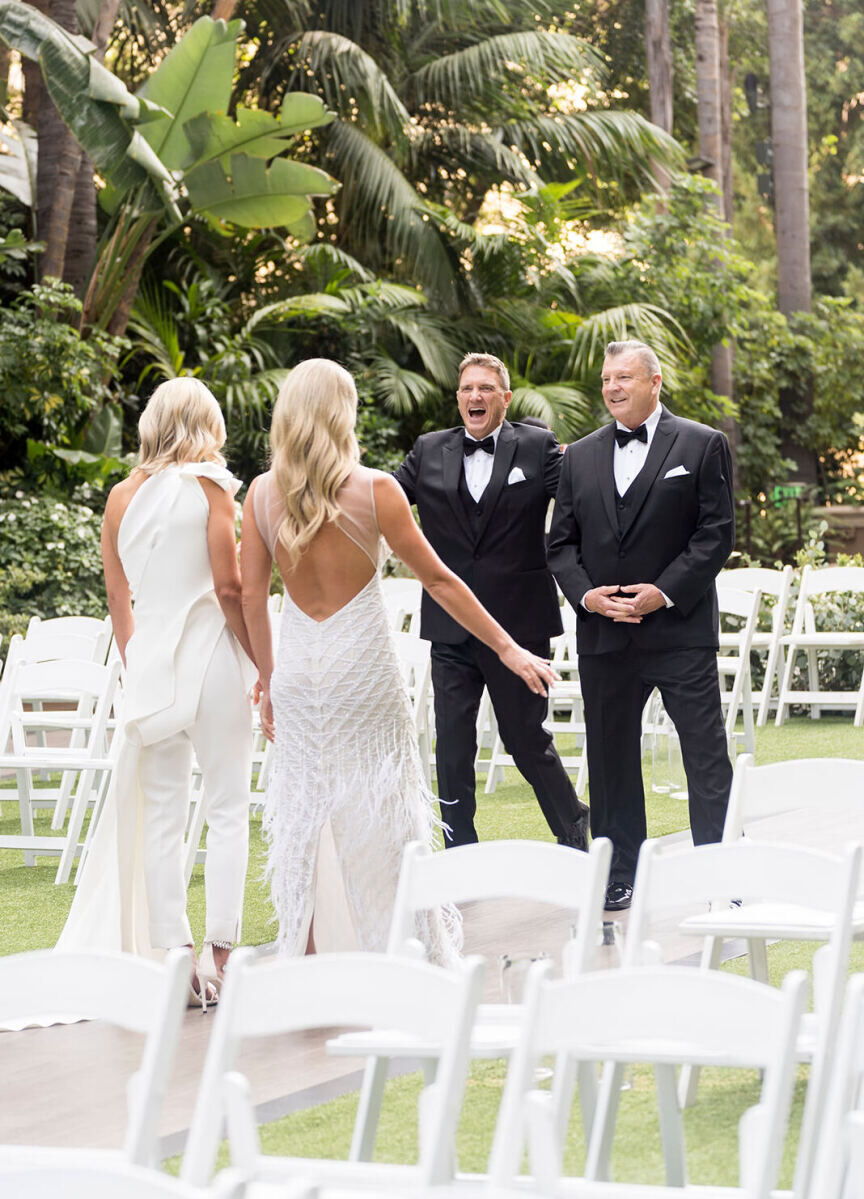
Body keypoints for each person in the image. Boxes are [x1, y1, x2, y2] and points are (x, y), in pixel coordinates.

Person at [240, 358, 557, 961]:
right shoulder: (375, 489)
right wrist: (509, 647)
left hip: (301, 673)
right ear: (343, 412)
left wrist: (267, 677)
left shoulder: (260, 494)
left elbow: (251, 596)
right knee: (382, 810)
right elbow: (439, 581)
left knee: (307, 813)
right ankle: (401, 950)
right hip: (362, 669)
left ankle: (307, 956)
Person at [57, 379, 256, 1005]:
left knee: (163, 816)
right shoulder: (211, 488)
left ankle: (175, 954)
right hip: (213, 661)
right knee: (226, 806)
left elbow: (119, 600)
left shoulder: (120, 496)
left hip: (149, 669)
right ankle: (220, 955)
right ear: (206, 424)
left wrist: (136, 661)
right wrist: (262, 666)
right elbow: (229, 591)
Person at [547, 339, 735, 910]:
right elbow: (561, 545)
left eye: (624, 377)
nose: (612, 388)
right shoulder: (578, 456)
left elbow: (715, 534)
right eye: (606, 379)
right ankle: (618, 873)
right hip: (606, 635)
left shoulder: (702, 445)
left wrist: (663, 593)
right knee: (610, 759)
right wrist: (587, 598)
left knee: (704, 755)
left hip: (680, 633)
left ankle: (721, 872)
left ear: (655, 383)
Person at [393, 352, 589, 849]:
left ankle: (575, 835)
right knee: (453, 750)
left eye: (485, 388)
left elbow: (580, 501)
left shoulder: (539, 445)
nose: (474, 397)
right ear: (458, 398)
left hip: (520, 626)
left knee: (527, 741)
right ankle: (461, 858)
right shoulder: (428, 449)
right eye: (466, 390)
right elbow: (383, 500)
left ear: (504, 397)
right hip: (451, 628)